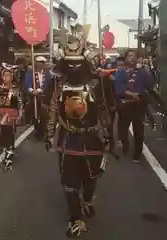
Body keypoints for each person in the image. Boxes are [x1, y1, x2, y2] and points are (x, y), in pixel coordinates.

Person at [45, 37, 110, 237]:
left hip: (92, 138)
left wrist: (107, 135)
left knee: (91, 177)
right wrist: (49, 134)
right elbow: (54, 110)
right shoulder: (59, 85)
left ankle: (88, 201)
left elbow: (103, 110)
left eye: (77, 63)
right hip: (68, 138)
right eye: (69, 63)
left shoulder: (96, 84)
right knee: (70, 182)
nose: (74, 67)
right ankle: (76, 218)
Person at [115, 50, 154, 162]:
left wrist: (142, 95)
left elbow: (150, 86)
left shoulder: (143, 72)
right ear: (126, 58)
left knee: (138, 131)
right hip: (124, 106)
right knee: (122, 131)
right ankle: (124, 143)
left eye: (134, 56)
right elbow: (119, 89)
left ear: (137, 58)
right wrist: (132, 95)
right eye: (129, 56)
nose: (131, 58)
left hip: (138, 106)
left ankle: (137, 153)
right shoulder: (120, 72)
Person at [0, 65, 23, 171]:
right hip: (0, 113)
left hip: (11, 114)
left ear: (12, 77)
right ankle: (5, 149)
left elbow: (19, 103)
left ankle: (9, 153)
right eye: (4, 75)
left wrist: (20, 114)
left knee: (9, 133)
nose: (6, 78)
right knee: (2, 133)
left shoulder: (15, 90)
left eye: (8, 75)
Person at [24, 56, 52, 139]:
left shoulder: (47, 73)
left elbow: (48, 85)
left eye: (42, 63)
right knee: (31, 111)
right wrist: (32, 90)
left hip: (44, 96)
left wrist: (40, 90)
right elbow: (27, 83)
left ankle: (42, 130)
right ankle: (36, 126)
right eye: (38, 62)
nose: (40, 64)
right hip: (33, 96)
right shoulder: (30, 73)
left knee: (44, 113)